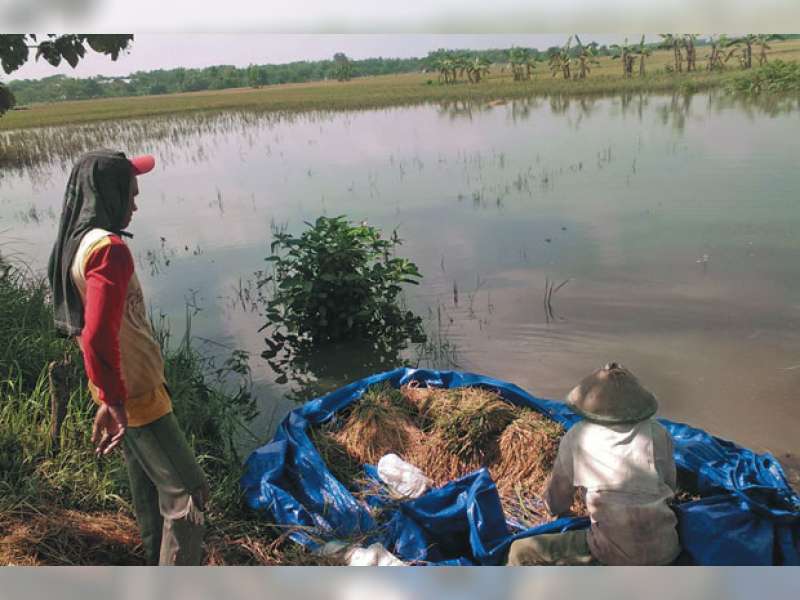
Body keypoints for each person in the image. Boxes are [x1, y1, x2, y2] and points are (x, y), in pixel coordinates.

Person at [48, 149, 208, 565]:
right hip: (136, 393)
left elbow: (89, 333)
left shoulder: (79, 241)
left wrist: (104, 395)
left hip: (119, 388)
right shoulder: (109, 250)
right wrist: (115, 400)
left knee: (149, 490)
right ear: (109, 195)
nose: (135, 204)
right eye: (130, 194)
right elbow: (98, 334)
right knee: (188, 496)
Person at [507, 362, 681, 566]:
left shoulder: (577, 436)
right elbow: (670, 485)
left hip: (613, 552)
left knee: (519, 551)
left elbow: (558, 498)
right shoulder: (659, 432)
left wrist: (558, 512)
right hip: (667, 548)